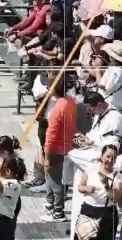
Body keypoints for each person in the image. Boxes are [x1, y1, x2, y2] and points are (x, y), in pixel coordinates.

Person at [44, 76, 77, 222]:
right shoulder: (70, 102)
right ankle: (53, 206)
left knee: (55, 181)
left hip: (56, 149)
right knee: (58, 180)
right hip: (66, 146)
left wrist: (46, 156)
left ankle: (58, 211)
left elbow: (51, 135)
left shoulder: (58, 108)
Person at [75, 144, 119, 240]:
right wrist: (86, 188)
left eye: (114, 158)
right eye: (108, 156)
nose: (110, 160)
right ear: (102, 156)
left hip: (107, 214)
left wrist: (106, 186)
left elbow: (116, 198)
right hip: (88, 211)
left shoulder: (117, 176)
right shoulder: (91, 169)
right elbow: (80, 187)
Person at [0, 143, 26, 240]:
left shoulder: (13, 184)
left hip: (2, 221)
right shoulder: (2, 179)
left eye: (2, 168)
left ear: (8, 171)